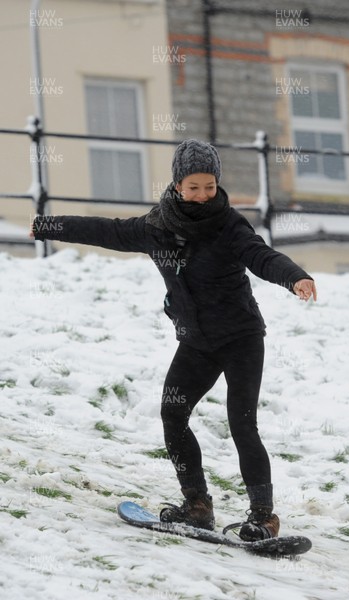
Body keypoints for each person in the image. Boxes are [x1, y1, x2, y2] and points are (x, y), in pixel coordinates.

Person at [31, 139, 317, 541]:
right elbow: (107, 231)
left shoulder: (230, 226)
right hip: (197, 341)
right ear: (177, 185)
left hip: (240, 338)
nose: (203, 195)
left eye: (210, 187)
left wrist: (295, 277)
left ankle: (263, 516)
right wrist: (49, 225)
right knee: (173, 414)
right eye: (194, 187)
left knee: (242, 423)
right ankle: (197, 505)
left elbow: (261, 256)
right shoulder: (157, 228)